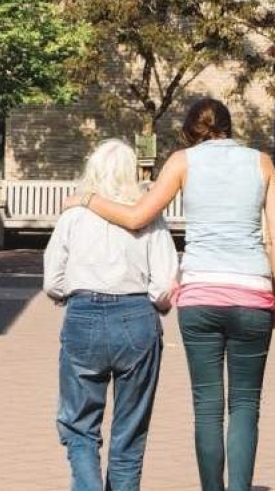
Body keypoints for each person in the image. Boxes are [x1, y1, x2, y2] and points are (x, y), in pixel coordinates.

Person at [65, 99, 275, 491]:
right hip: (253, 293)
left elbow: (136, 217)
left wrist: (87, 199)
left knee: (207, 407)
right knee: (245, 405)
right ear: (229, 127)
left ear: (189, 130)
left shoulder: (182, 162)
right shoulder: (262, 163)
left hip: (200, 296)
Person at [44, 138, 178, 491]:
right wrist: (160, 304)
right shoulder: (149, 217)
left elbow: (53, 281)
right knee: (130, 432)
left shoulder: (73, 216)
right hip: (137, 316)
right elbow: (164, 285)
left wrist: (68, 295)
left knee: (79, 427)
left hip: (83, 314)